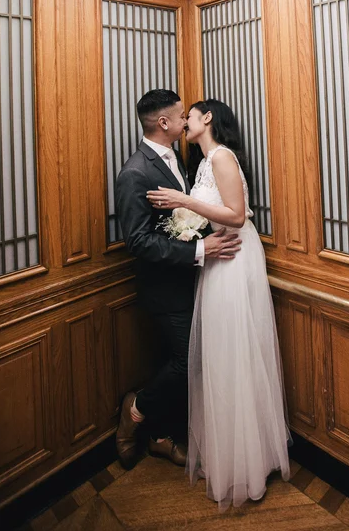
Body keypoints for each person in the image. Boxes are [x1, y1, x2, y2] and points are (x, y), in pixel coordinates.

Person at [146, 98, 290, 509]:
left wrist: (185, 202)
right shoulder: (204, 163)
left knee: (235, 353)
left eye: (188, 116)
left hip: (233, 259)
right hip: (215, 259)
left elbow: (237, 215)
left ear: (206, 118)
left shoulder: (223, 156)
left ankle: (248, 459)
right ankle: (229, 450)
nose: (184, 122)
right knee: (219, 355)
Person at [114, 89, 241, 469]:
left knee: (186, 358)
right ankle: (135, 410)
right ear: (164, 123)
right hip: (164, 288)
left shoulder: (183, 161)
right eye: (182, 115)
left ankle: (162, 436)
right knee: (186, 360)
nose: (187, 120)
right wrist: (199, 251)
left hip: (195, 281)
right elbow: (137, 241)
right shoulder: (135, 172)